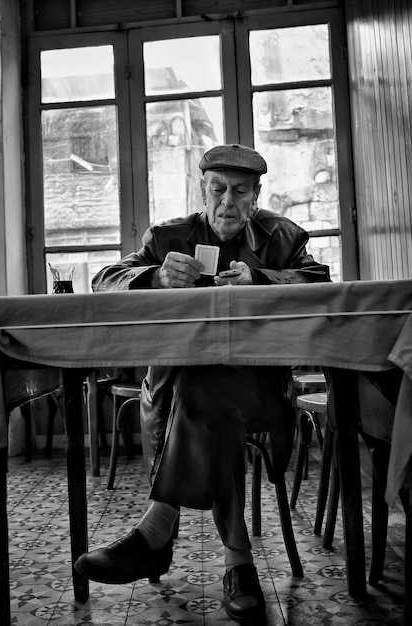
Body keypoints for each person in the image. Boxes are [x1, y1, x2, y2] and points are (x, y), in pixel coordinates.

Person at [75, 143, 330, 624]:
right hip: (173, 390)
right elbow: (107, 277)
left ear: (257, 196)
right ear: (202, 190)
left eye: (239, 192)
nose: (227, 203)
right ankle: (239, 564)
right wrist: (153, 276)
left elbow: (319, 279)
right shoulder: (169, 235)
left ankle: (157, 529)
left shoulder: (284, 236)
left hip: (258, 388)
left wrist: (259, 278)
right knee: (208, 397)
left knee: (208, 392)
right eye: (217, 190)